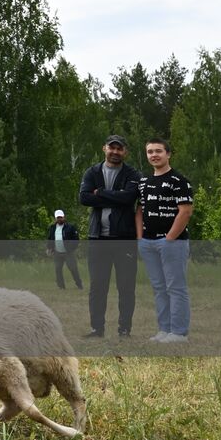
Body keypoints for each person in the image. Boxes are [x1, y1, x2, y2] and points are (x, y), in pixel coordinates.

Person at [79, 135, 141, 338]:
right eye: (111, 148)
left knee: (126, 287)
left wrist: (101, 193)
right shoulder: (92, 172)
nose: (115, 152)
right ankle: (97, 329)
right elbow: (84, 197)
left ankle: (125, 330)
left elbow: (129, 198)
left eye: (119, 148)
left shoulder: (132, 174)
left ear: (125, 152)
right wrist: (115, 196)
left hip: (124, 239)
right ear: (104, 148)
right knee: (97, 286)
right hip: (97, 238)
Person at [136, 138, 194, 344]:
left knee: (175, 287)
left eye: (158, 151)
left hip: (173, 243)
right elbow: (140, 210)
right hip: (148, 243)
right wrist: (140, 238)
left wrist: (169, 239)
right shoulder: (143, 182)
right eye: (150, 151)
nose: (154, 155)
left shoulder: (179, 181)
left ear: (168, 154)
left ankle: (179, 333)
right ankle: (164, 329)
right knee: (159, 288)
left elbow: (185, 211)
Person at [45, 209, 83, 289]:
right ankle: (61, 286)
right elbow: (50, 238)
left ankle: (79, 284)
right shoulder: (52, 227)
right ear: (55, 218)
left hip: (68, 252)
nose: (59, 219)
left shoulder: (70, 227)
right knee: (58, 269)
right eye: (58, 217)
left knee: (73, 269)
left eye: (61, 217)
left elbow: (76, 239)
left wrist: (71, 248)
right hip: (57, 252)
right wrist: (49, 248)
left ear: (64, 217)